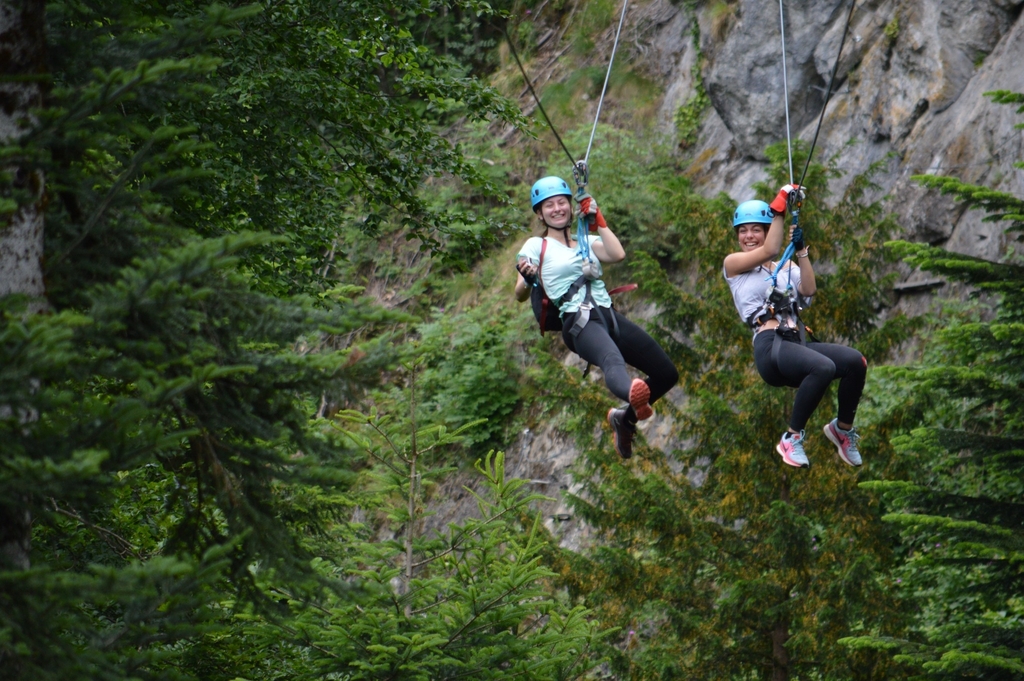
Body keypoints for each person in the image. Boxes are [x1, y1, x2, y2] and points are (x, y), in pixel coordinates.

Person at [515, 176, 679, 460]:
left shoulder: (585, 241)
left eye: (562, 202)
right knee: (611, 360)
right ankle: (632, 392)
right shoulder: (535, 246)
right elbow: (518, 291)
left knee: (666, 373)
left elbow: (617, 253)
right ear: (540, 214)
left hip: (608, 314)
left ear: (570, 206)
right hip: (578, 322)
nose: (557, 208)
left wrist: (598, 218)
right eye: (549, 205)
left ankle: (624, 419)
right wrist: (527, 276)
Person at [723, 185, 867, 468]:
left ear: (765, 230)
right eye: (743, 231)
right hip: (770, 349)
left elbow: (809, 289)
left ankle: (843, 429)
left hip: (796, 343)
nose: (749, 236)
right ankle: (791, 438)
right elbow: (771, 248)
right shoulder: (734, 265)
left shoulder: (786, 269)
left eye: (755, 230)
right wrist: (780, 204)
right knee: (823, 367)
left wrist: (801, 251)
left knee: (855, 362)